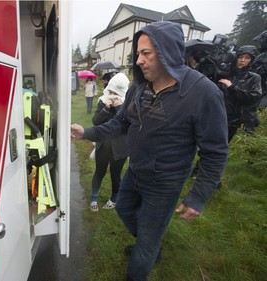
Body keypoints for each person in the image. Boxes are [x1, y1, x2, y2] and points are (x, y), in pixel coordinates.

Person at [71, 21, 228, 281]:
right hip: (136, 169)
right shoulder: (140, 86)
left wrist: (198, 196)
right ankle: (149, 244)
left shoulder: (203, 93)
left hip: (166, 180)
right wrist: (86, 132)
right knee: (123, 208)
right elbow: (120, 122)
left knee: (146, 241)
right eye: (138, 54)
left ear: (168, 52)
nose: (139, 60)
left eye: (146, 54)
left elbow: (215, 151)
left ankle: (145, 251)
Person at [90, 73, 130, 211]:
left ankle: (114, 198)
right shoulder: (103, 100)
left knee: (115, 174)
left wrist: (119, 108)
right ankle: (94, 197)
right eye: (110, 92)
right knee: (99, 171)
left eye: (115, 93)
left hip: (120, 147)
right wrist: (106, 109)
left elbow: (129, 126)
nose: (112, 95)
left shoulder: (127, 104)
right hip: (103, 145)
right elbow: (96, 122)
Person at [218, 45, 262, 141]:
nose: (242, 60)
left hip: (233, 119)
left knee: (221, 144)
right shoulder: (225, 72)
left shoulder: (254, 77)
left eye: (247, 58)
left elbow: (253, 97)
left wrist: (232, 88)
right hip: (216, 113)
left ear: (251, 60)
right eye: (240, 57)